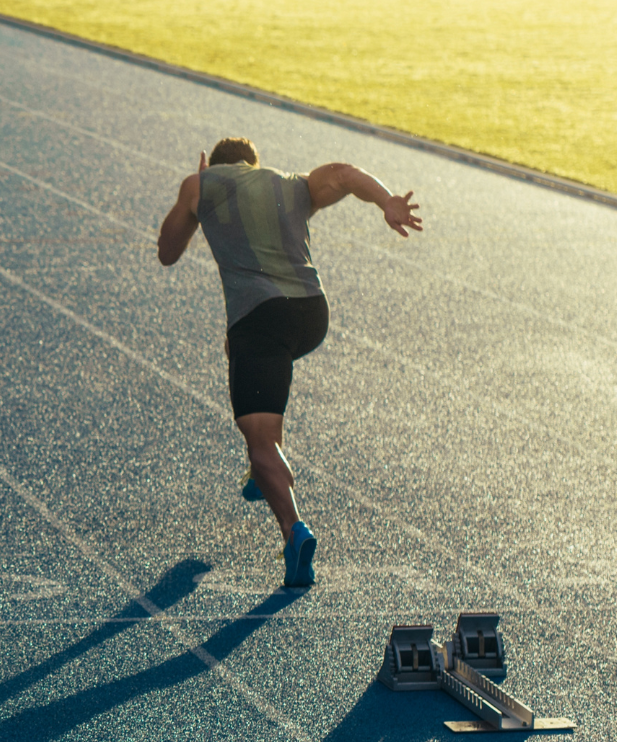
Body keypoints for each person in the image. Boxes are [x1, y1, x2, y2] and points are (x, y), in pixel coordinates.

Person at [157, 136, 421, 587]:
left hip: (261, 319)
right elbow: (343, 172)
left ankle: (293, 528)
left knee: (261, 440)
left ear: (216, 166)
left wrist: (197, 194)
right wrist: (387, 201)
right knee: (242, 357)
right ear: (253, 164)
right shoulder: (289, 183)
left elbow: (167, 251)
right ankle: (262, 470)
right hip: (310, 314)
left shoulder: (202, 184)